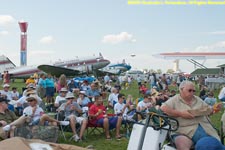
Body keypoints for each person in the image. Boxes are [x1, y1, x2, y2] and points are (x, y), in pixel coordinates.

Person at [160, 81, 222, 150]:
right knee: (183, 144)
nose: (192, 93)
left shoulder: (197, 99)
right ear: (181, 90)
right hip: (183, 130)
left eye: (194, 91)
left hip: (203, 126)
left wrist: (214, 110)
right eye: (189, 90)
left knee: (213, 145)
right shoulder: (175, 99)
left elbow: (207, 110)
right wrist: (181, 114)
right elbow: (163, 108)